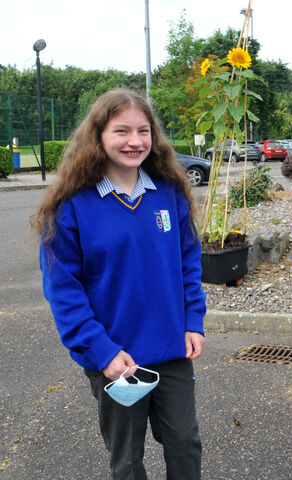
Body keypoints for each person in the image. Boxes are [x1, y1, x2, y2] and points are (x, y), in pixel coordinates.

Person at [33, 88, 205, 479]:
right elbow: (64, 290)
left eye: (143, 131)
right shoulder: (71, 206)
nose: (135, 141)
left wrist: (193, 320)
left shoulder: (169, 195)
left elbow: (188, 263)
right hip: (116, 359)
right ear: (98, 137)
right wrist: (102, 351)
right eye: (121, 131)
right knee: (127, 459)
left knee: (185, 444)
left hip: (171, 347)